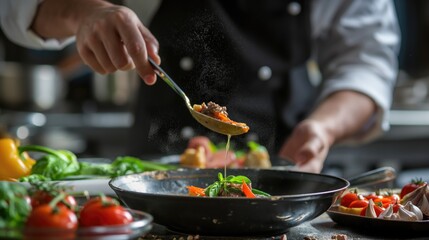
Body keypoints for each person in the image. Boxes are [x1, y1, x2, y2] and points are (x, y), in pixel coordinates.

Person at [0, 0, 400, 173]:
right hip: (157, 181)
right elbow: (19, 7)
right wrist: (86, 12)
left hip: (285, 175)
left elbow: (366, 60)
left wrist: (323, 128)